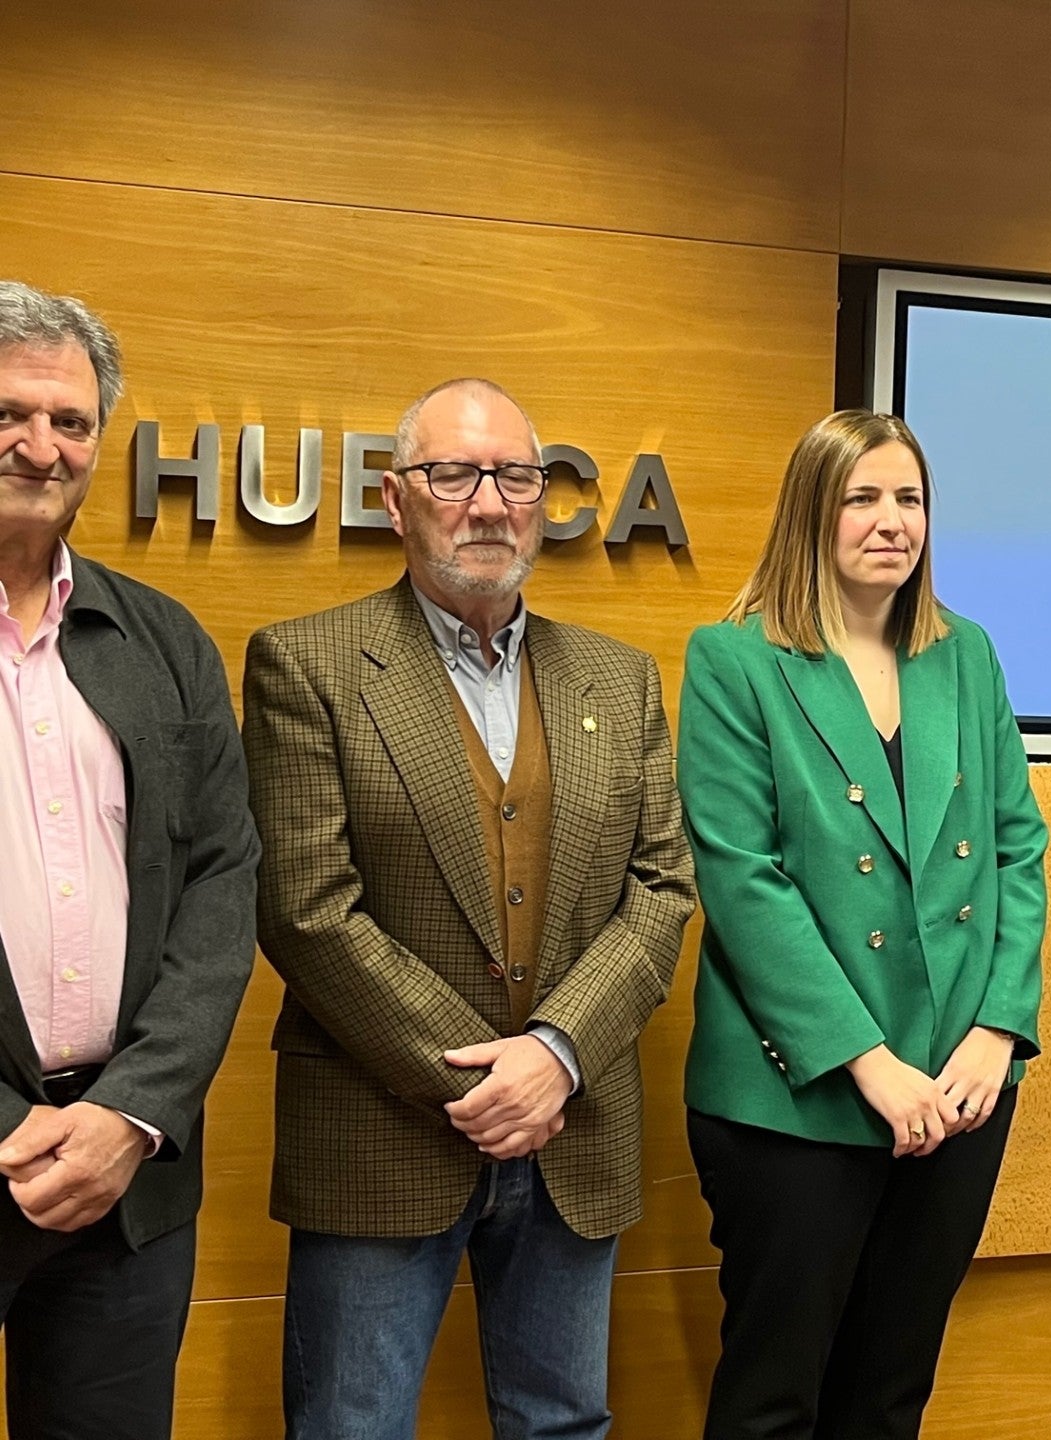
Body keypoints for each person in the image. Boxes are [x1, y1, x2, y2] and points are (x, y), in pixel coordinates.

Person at [243, 377, 696, 1439]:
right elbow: (307, 908)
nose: (487, 503)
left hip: (574, 1126)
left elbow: (663, 886)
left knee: (562, 1424)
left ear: (546, 501)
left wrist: (556, 1055)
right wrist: (490, 1078)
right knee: (351, 1427)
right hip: (379, 1128)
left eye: (516, 477)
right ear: (398, 500)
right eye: (454, 474)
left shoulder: (619, 680)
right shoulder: (306, 665)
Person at [677, 408, 1047, 1440]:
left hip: (959, 1090)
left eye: (910, 499)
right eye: (863, 498)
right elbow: (745, 884)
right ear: (812, 513)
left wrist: (997, 1032)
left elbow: (1019, 849)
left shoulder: (963, 656)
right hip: (798, 1099)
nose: (893, 522)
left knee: (889, 1396)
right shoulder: (735, 659)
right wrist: (869, 1066)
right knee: (774, 1401)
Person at [0, 280, 259, 1435]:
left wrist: (132, 1113)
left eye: (70, 421)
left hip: (128, 1178)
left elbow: (223, 881)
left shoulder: (160, 640)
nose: (38, 446)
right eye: (8, 412)